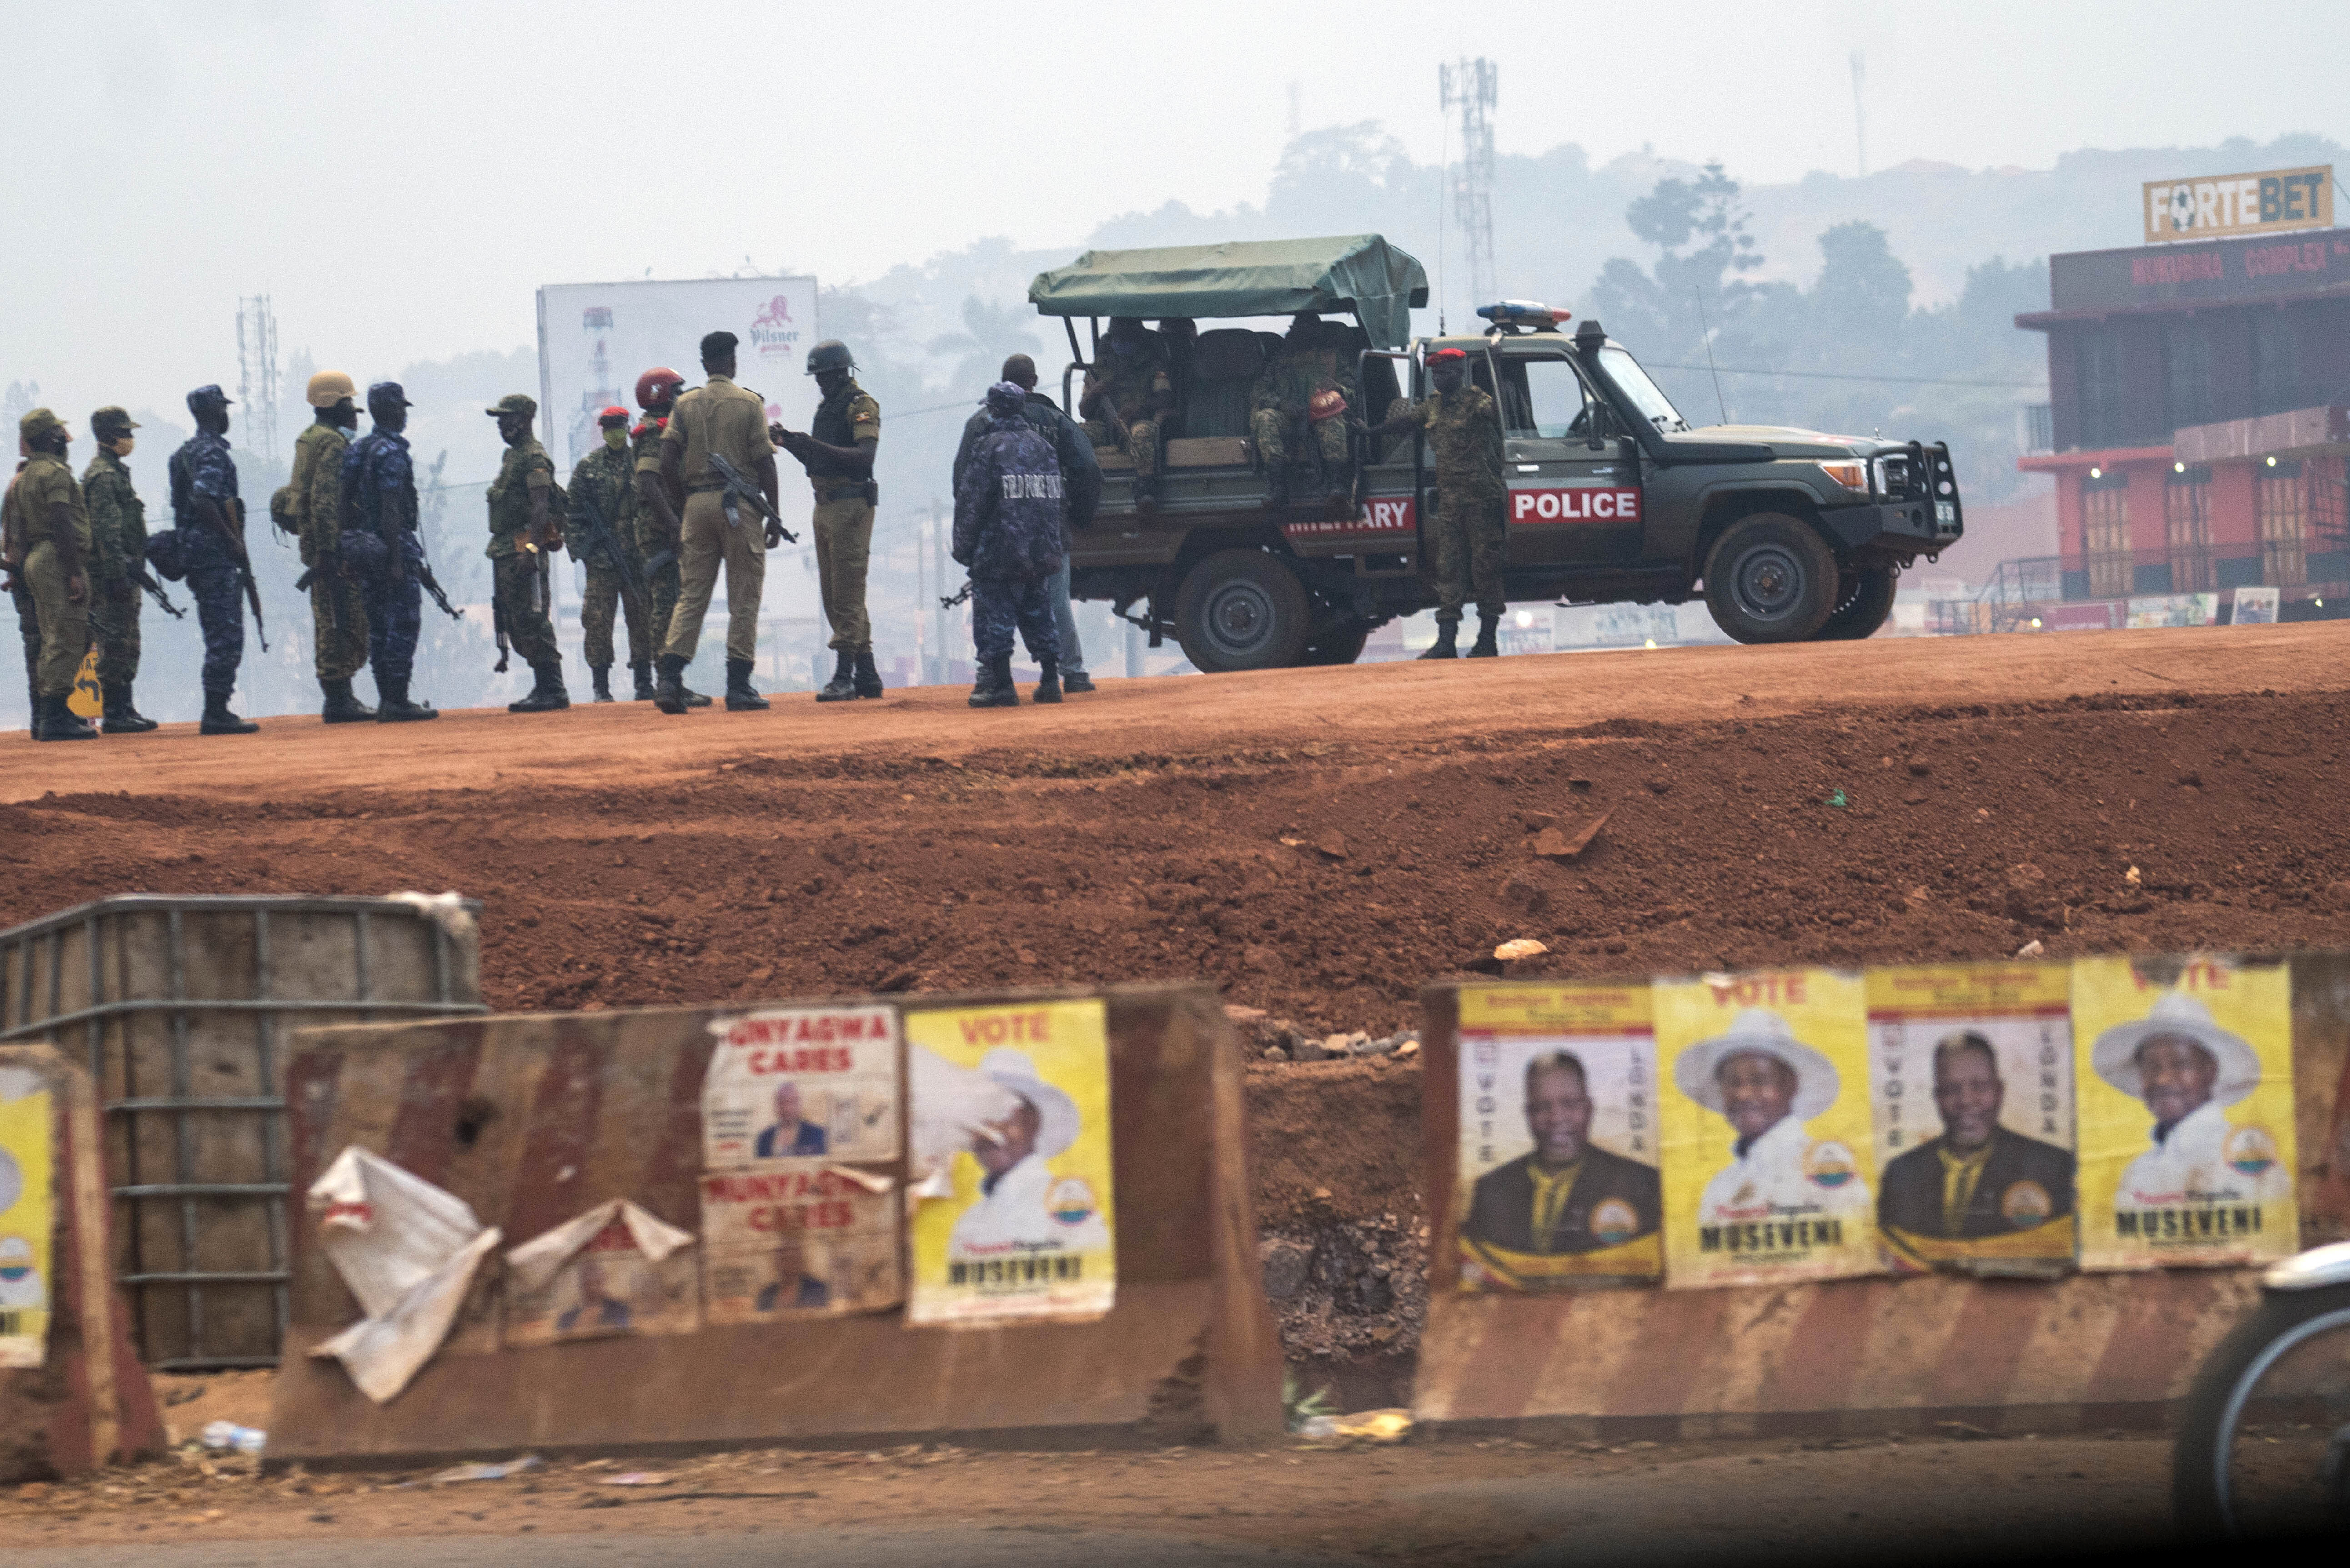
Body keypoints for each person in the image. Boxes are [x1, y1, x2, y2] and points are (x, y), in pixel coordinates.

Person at [953, 354, 1101, 694]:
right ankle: (1070, 673)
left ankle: (993, 679)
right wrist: (1078, 518)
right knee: (1052, 605)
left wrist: (966, 543)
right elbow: (1088, 469)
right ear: (1032, 382)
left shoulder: (981, 429)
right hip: (1047, 537)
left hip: (998, 544)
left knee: (994, 610)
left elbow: (966, 487)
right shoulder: (1051, 426)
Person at [656, 331, 780, 714]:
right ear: (732, 362)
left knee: (692, 595)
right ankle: (739, 685)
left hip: (697, 505)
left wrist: (684, 503)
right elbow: (765, 462)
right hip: (738, 507)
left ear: (705, 363)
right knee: (744, 597)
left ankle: (670, 677)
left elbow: (665, 463)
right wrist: (773, 514)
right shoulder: (748, 404)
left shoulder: (685, 405)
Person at [1363, 347, 1507, 659]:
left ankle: (1487, 640)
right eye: (1435, 375)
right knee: (1449, 570)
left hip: (1482, 499)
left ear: (1459, 373)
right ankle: (1446, 642)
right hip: (1451, 503)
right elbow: (1406, 423)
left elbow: (1494, 413)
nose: (1439, 379)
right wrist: (1371, 432)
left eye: (1444, 374)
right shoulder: (1433, 406)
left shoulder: (1476, 399)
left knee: (1486, 568)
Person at [2092, 991, 2291, 1209]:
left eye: (2180, 1064)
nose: (2162, 1079)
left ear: (2210, 1072)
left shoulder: (2248, 1159)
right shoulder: (2138, 1172)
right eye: (2151, 1066)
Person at [1676, 1009, 1872, 1226]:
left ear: (1791, 1086)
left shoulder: (1827, 1171)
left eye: (1760, 1080)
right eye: (1733, 1083)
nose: (1744, 1094)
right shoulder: (1722, 1185)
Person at [1876, 1031, 2075, 1241]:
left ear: (1999, 1092)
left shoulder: (2055, 1168)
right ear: (1937, 1098)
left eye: (1979, 1087)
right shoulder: (1900, 1174)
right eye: (1951, 1089)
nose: (1966, 1100)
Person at [1463, 1051, 1662, 1256]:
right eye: (1542, 1107)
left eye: (1570, 1104)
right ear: (1528, 1115)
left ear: (1589, 1110)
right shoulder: (1491, 1189)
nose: (1556, 1118)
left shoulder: (1642, 1184)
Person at [773, 339, 881, 703]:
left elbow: (864, 456)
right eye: (817, 377)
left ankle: (845, 675)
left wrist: (813, 445)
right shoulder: (828, 408)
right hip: (825, 504)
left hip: (851, 505)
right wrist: (792, 443)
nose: (821, 383)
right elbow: (820, 462)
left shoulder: (859, 406)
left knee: (848, 592)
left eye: (825, 376)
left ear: (841, 373)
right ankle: (867, 674)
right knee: (835, 594)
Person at [953, 381, 1065, 709]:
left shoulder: (988, 447)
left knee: (994, 616)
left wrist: (963, 547)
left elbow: (972, 502)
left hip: (998, 551)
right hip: (1039, 549)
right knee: (1039, 611)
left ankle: (1001, 686)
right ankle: (1049, 681)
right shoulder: (1043, 447)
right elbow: (1057, 501)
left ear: (995, 409)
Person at [947, 1048, 1108, 1256]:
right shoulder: (969, 1224)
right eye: (981, 1119)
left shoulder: (1069, 1209)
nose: (992, 1132)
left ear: (1034, 1125)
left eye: (1005, 1116)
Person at [341, 381, 438, 722]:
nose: (404, 416)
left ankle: (387, 698)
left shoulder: (358, 449)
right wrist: (397, 559)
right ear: (390, 411)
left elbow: (344, 504)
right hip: (391, 549)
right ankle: (397, 699)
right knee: (403, 623)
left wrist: (348, 549)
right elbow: (391, 506)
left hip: (365, 550)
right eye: (401, 409)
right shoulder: (392, 452)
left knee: (378, 625)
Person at [170, 385, 259, 734]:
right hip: (214, 554)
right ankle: (216, 711)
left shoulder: (182, 455)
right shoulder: (212, 454)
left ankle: (217, 707)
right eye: (222, 409)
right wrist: (232, 540)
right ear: (211, 413)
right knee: (226, 634)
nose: (227, 415)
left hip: (195, 553)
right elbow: (203, 500)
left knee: (217, 630)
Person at [3, 409, 96, 741]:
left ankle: (50, 713)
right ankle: (56, 716)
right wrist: (74, 573)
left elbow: (19, 529)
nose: (63, 438)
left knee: (50, 636)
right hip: (56, 558)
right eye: (58, 432)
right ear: (50, 438)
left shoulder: (24, 477)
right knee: (67, 636)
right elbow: (62, 522)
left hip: (38, 560)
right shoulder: (56, 474)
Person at [291, 370, 372, 722]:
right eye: (348, 403)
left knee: (330, 616)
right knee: (342, 619)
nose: (353, 412)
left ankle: (340, 696)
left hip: (318, 544)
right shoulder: (332, 444)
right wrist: (330, 552)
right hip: (332, 548)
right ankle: (340, 699)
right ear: (333, 404)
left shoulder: (310, 438)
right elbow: (325, 501)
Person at [484, 392, 570, 712]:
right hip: (506, 549)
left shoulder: (533, 457)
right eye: (500, 419)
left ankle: (553, 688)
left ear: (524, 420)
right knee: (516, 620)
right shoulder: (513, 456)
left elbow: (540, 508)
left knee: (532, 619)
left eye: (507, 418)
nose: (502, 425)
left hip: (523, 550)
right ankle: (543, 685)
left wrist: (532, 550)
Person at [629, 367, 708, 708]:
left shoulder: (666, 429)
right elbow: (649, 482)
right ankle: (668, 681)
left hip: (664, 526)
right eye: (675, 392)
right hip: (660, 529)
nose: (680, 397)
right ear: (660, 395)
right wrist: (675, 525)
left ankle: (670, 681)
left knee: (671, 601)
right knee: (666, 603)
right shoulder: (651, 434)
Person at [567, 406, 653, 703]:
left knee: (642, 617)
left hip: (638, 557)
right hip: (602, 561)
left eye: (620, 426)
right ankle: (601, 687)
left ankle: (644, 682)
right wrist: (584, 550)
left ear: (627, 428)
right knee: (597, 621)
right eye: (610, 427)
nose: (616, 431)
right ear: (602, 430)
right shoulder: (588, 468)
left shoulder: (641, 463)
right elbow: (573, 514)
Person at [80, 407, 158, 733]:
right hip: (112, 574)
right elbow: (106, 532)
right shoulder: (104, 476)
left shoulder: (115, 472)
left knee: (127, 641)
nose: (130, 438)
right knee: (114, 641)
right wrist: (115, 576)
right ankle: (114, 712)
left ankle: (125, 706)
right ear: (109, 435)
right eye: (125, 432)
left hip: (125, 569)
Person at [1250, 313, 1358, 509]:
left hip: (1325, 413)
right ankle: (1278, 487)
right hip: (1290, 416)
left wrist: (1337, 388)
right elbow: (1259, 395)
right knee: (1265, 418)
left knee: (1332, 418)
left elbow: (1353, 393)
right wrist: (1282, 405)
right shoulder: (1279, 363)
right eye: (1298, 331)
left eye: (1308, 331)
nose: (1302, 336)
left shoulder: (1334, 359)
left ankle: (1338, 485)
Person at [1076, 317, 1172, 512]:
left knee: (1142, 434)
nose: (1121, 342)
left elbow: (1165, 398)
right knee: (1078, 435)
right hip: (1106, 425)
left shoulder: (1153, 366)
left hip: (1141, 420)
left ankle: (1146, 490)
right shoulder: (1099, 369)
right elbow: (1084, 411)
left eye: (1127, 337)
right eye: (1117, 337)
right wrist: (1096, 391)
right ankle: (1078, 489)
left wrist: (1140, 408)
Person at [753, 1236, 830, 1312]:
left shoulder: (816, 1288)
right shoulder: (767, 1293)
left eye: (793, 1259)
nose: (789, 1265)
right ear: (777, 1263)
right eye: (784, 1259)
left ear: (801, 1261)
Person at [554, 1257, 631, 1332]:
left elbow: (623, 1332)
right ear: (582, 1286)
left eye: (597, 1282)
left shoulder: (619, 1310)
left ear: (603, 1282)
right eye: (588, 1284)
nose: (593, 1288)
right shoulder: (567, 1318)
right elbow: (561, 1336)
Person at [754, 1081, 828, 1159]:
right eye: (783, 1103)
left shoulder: (817, 1134)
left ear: (800, 1103)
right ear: (777, 1105)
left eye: (792, 1102)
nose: (788, 1109)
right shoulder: (764, 1138)